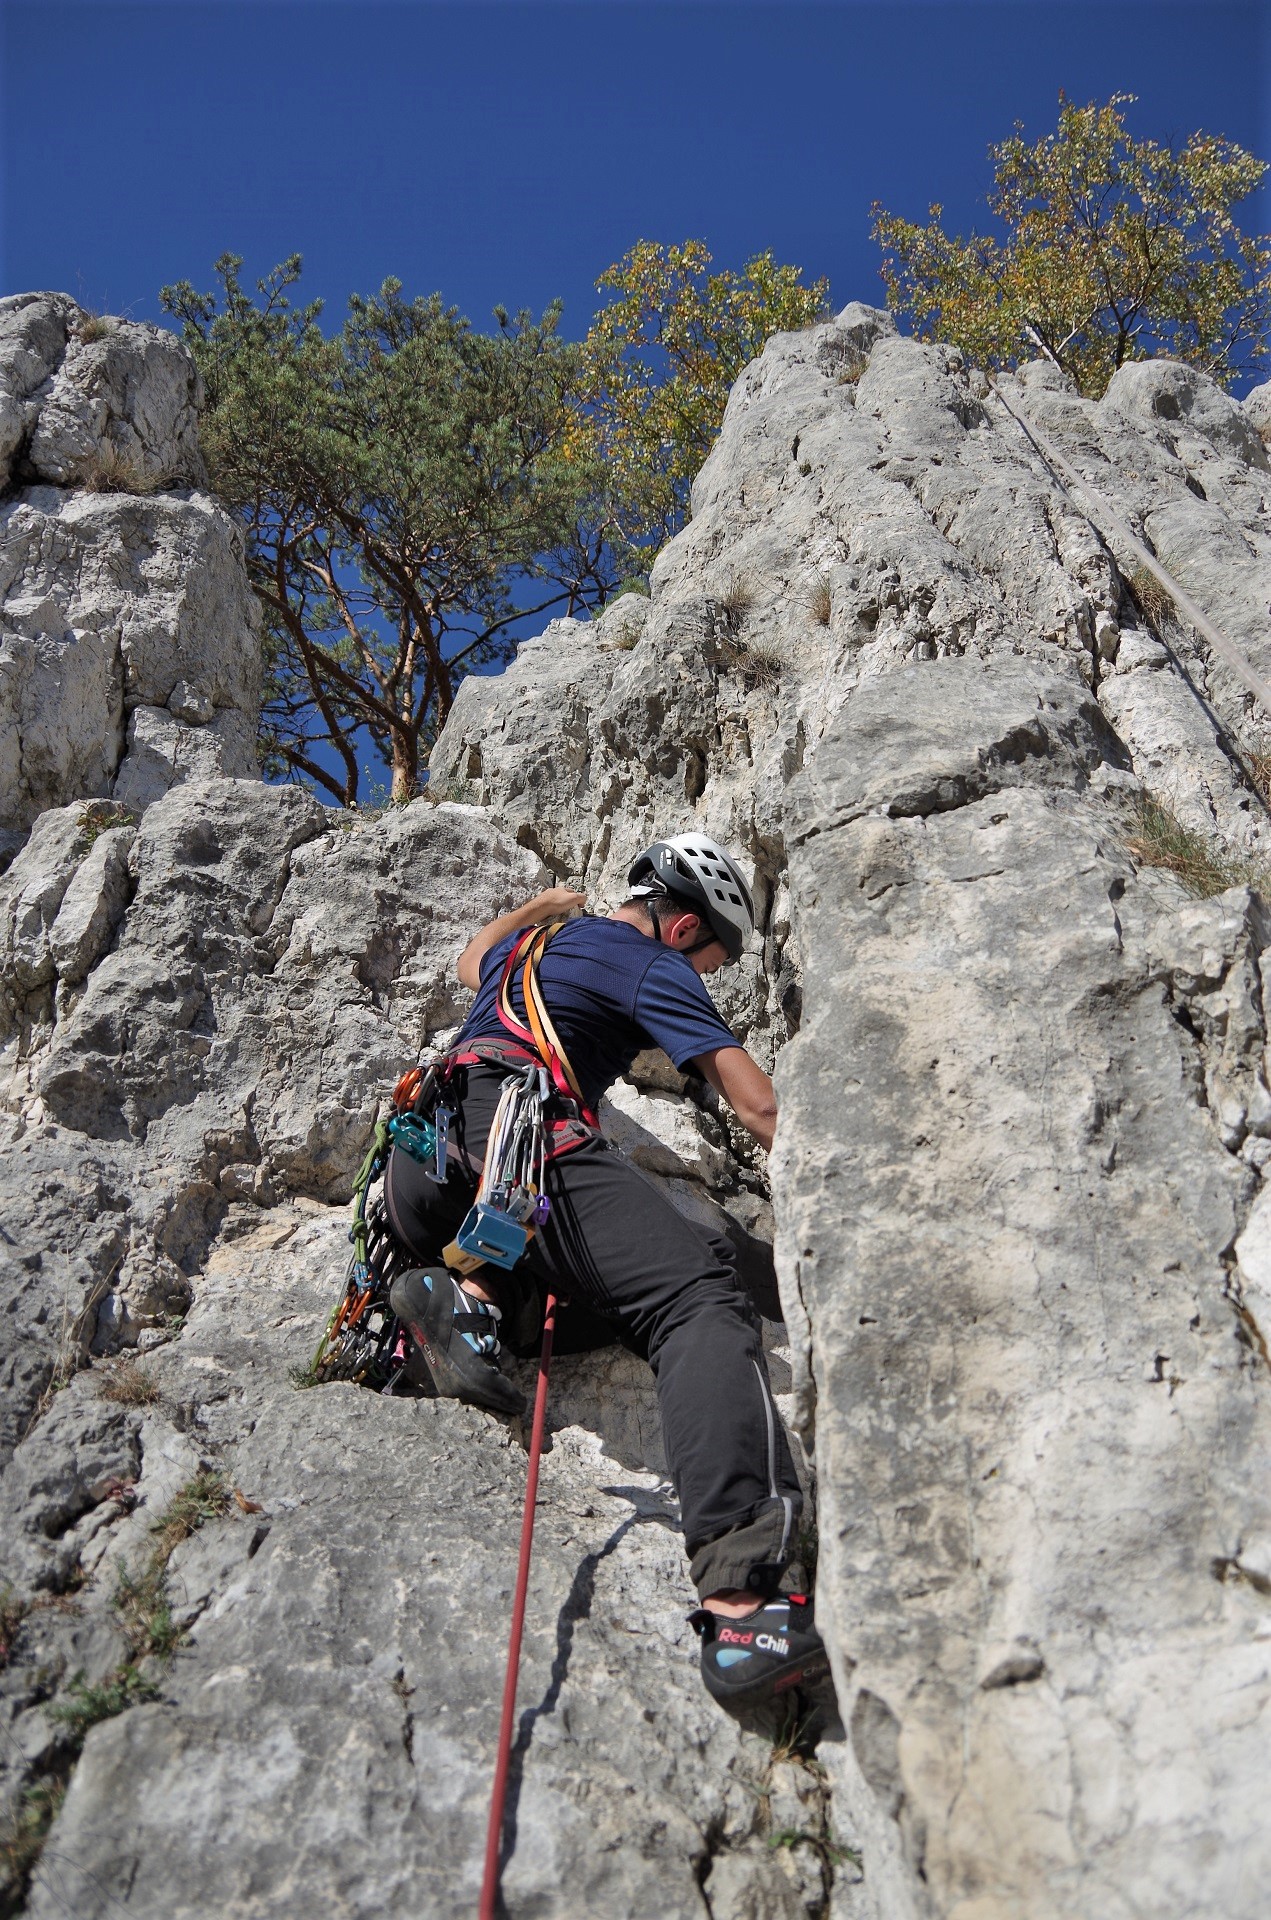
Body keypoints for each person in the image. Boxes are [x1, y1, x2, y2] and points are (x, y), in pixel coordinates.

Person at [384, 834, 828, 1711]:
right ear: (686, 926)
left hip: (425, 1163)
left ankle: (470, 1299)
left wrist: (541, 908)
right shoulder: (649, 963)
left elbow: (471, 956)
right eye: (714, 956)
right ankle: (741, 1602)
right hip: (522, 1142)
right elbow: (757, 1103)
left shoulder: (535, 946)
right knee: (699, 1296)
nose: (708, 971)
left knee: (611, 1275)